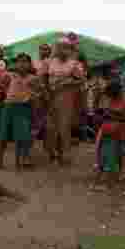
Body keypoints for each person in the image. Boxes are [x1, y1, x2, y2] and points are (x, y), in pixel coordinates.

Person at [46, 36, 86, 164]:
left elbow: (81, 80)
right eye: (59, 47)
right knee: (51, 126)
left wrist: (67, 82)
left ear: (69, 49)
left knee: (64, 126)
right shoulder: (51, 62)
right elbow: (45, 78)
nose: (62, 50)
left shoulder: (74, 63)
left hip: (67, 96)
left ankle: (64, 155)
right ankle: (53, 152)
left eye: (65, 47)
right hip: (51, 95)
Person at [0, 53, 35, 172]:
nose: (22, 64)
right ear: (16, 64)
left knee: (21, 135)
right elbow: (2, 85)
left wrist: (33, 96)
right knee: (3, 135)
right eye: (20, 62)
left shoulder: (32, 78)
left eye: (25, 62)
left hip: (23, 107)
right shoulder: (10, 75)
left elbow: (38, 91)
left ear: (29, 64)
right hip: (9, 106)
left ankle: (20, 161)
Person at [93, 79, 125, 190]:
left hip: (116, 132)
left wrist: (111, 115)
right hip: (111, 131)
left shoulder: (124, 102)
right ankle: (114, 177)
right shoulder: (114, 100)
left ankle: (108, 183)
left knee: (111, 156)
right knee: (111, 155)